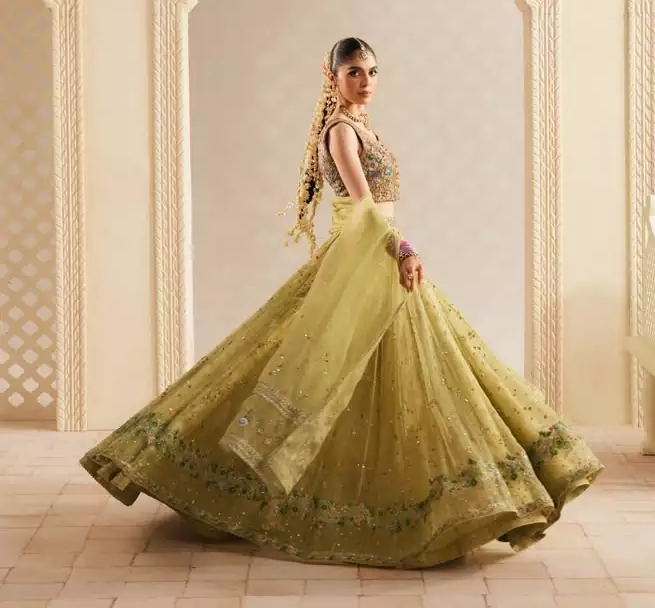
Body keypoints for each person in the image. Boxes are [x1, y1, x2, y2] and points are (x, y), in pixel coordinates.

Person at [80, 36, 602, 568]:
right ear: (331, 77)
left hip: (376, 254)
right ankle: (193, 466)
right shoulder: (341, 131)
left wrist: (395, 247)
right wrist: (402, 247)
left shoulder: (364, 126)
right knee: (292, 357)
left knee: (410, 367)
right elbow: (363, 205)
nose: (365, 81)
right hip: (366, 254)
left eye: (371, 71)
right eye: (353, 72)